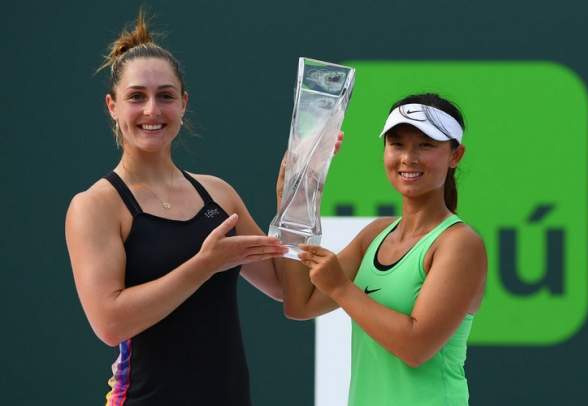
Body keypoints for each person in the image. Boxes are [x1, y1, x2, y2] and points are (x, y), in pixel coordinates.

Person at [64, 11, 290, 405]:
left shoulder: (218, 195)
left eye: (165, 96)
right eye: (137, 97)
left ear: (183, 104)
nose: (152, 110)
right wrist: (205, 264)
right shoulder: (96, 205)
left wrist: (298, 193)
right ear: (112, 106)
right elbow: (110, 323)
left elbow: (284, 286)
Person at [279, 93, 487, 405]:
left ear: (455, 155)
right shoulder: (375, 234)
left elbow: (416, 347)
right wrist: (295, 197)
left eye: (425, 145)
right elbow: (300, 303)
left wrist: (341, 287)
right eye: (397, 144)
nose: (408, 157)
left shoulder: (459, 243)